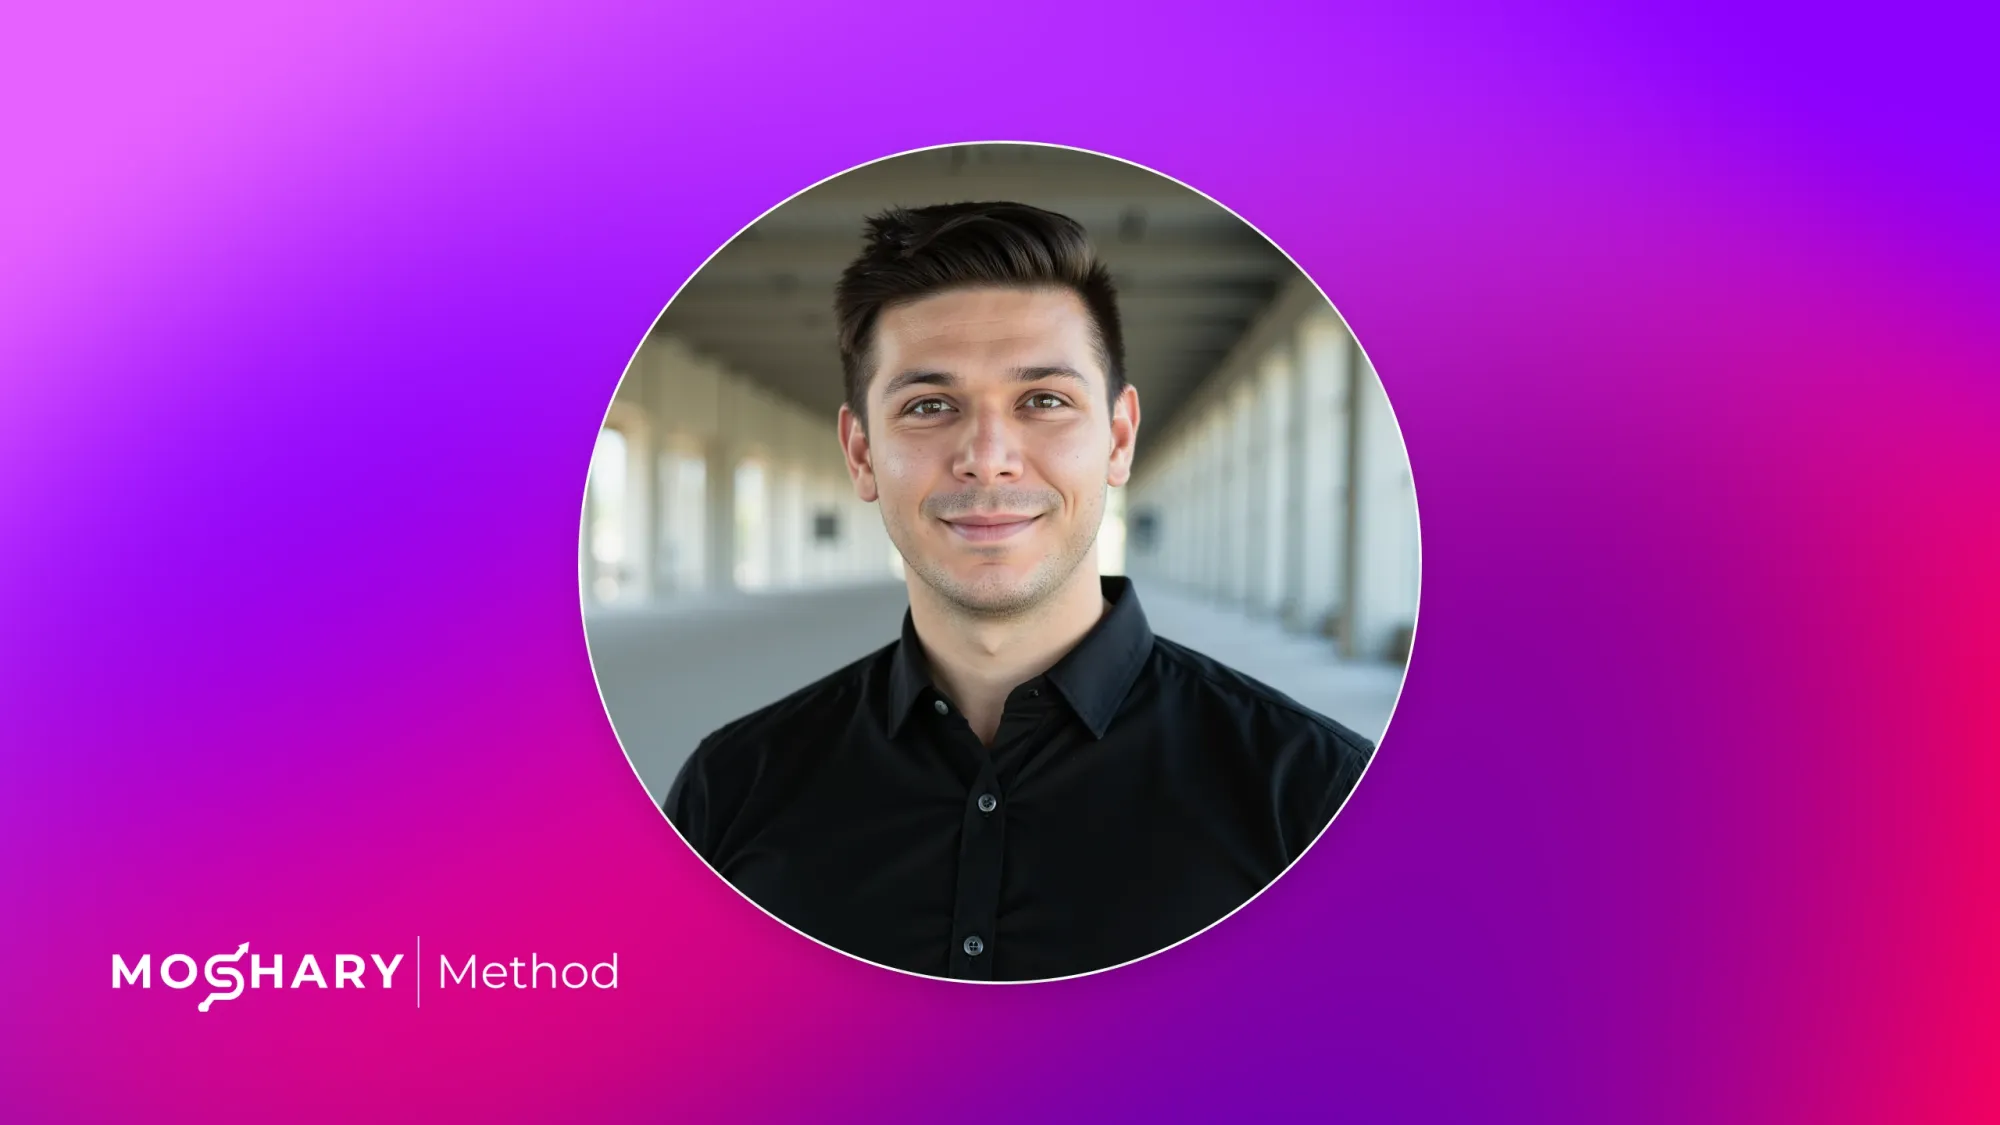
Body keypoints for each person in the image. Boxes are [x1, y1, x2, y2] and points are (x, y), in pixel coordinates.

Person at [665, 201, 1373, 981]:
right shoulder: (732, 788)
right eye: (930, 406)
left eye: (1043, 400)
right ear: (861, 453)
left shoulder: (1315, 797)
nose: (988, 457)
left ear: (1118, 438)